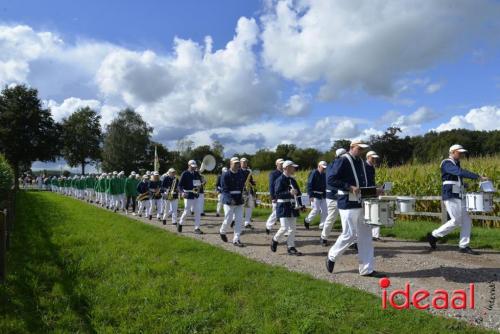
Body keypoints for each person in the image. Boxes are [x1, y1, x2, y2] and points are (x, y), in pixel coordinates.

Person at [325, 140, 381, 277]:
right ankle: (332, 256)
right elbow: (331, 180)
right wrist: (349, 187)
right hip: (347, 202)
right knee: (349, 234)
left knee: (366, 236)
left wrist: (375, 191)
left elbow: (363, 186)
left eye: (362, 149)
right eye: (359, 148)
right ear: (351, 147)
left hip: (361, 202)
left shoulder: (361, 162)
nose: (361, 151)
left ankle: (367, 269)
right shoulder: (343, 160)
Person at [427, 144, 488, 255]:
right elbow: (459, 172)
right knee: (456, 220)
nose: (461, 154)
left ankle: (463, 246)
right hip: (450, 195)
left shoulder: (455, 163)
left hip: (458, 195)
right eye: (459, 152)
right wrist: (477, 176)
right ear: (453, 152)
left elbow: (455, 179)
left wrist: (463, 185)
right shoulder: (446, 163)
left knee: (467, 221)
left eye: (462, 153)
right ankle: (433, 235)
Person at [270, 160, 304, 256]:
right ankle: (275, 239)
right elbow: (277, 194)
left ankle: (291, 247)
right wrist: (289, 193)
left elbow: (299, 193)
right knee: (284, 227)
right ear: (287, 168)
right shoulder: (279, 179)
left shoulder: (292, 180)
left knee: (293, 228)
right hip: (283, 206)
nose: (294, 169)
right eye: (293, 167)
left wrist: (302, 205)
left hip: (292, 206)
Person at [319, 148, 346, 247]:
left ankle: (351, 241)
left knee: (347, 218)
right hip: (333, 195)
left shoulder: (340, 164)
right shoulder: (334, 165)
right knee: (331, 217)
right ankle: (323, 237)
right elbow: (332, 181)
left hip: (342, 195)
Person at [219, 157, 246, 247]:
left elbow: (243, 187)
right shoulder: (225, 175)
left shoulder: (241, 174)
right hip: (228, 200)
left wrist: (244, 194)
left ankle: (236, 239)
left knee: (239, 220)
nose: (237, 165)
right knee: (228, 219)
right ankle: (222, 231)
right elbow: (224, 189)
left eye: (238, 163)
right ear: (230, 164)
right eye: (235, 163)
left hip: (239, 200)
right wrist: (230, 199)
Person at [178, 160, 203, 234]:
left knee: (198, 211)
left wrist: (201, 184)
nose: (194, 168)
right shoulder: (184, 173)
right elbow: (179, 185)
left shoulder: (196, 173)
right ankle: (180, 223)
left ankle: (197, 228)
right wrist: (182, 192)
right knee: (187, 211)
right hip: (188, 194)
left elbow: (198, 183)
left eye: (194, 167)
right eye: (192, 167)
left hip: (196, 194)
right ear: (188, 165)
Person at [303, 161, 327, 230]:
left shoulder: (324, 174)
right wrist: (310, 196)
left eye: (324, 168)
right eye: (323, 168)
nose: (324, 169)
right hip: (315, 194)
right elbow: (309, 184)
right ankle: (307, 220)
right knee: (316, 210)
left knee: (325, 210)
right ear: (319, 166)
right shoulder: (313, 173)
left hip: (323, 195)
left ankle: (322, 225)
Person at [365, 151, 382, 241]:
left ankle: (375, 235)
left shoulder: (372, 167)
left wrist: (377, 187)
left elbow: (372, 181)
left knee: (376, 213)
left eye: (375, 158)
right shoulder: (364, 166)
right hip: (366, 192)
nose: (374, 159)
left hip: (373, 191)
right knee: (366, 214)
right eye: (373, 158)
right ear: (368, 157)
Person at [265, 158, 284, 234]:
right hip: (276, 196)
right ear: (276, 164)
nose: (282, 165)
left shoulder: (285, 172)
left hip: (284, 195)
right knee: (276, 212)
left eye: (282, 163)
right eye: (280, 163)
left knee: (284, 212)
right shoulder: (273, 173)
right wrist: (273, 197)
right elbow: (271, 186)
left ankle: (284, 230)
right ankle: (268, 226)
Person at [240, 157, 257, 229]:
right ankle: (236, 221)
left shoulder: (248, 171)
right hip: (241, 191)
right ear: (240, 163)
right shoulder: (238, 171)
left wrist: (253, 183)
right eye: (243, 162)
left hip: (249, 190)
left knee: (249, 207)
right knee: (240, 207)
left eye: (246, 162)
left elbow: (251, 181)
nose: (245, 163)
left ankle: (247, 223)